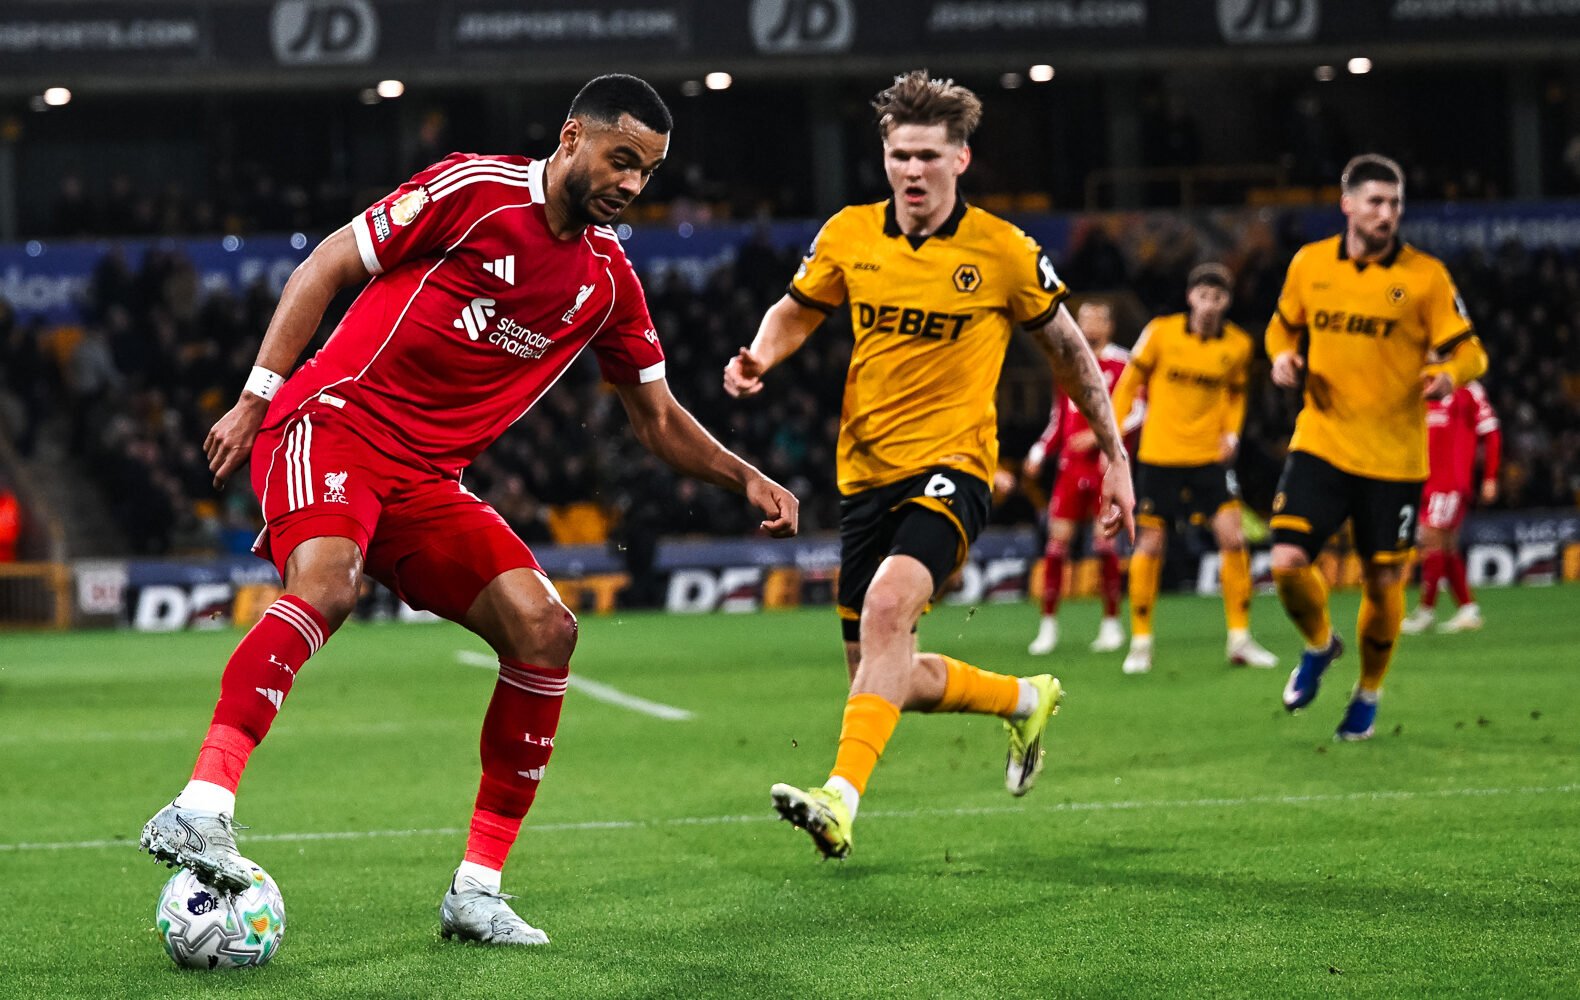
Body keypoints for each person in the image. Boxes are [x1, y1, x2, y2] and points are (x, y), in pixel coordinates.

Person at [139, 75, 799, 944]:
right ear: (572, 137)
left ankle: (477, 890)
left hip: (425, 481)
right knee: (328, 585)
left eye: (647, 171)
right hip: (333, 424)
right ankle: (201, 804)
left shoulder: (608, 282)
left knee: (546, 629)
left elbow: (658, 419)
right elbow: (326, 264)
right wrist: (257, 396)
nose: (633, 184)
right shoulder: (475, 190)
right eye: (621, 159)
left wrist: (744, 477)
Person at [723, 71, 1135, 860]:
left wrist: (1114, 454)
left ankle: (839, 800)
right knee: (883, 672)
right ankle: (1023, 698)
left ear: (961, 160)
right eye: (900, 155)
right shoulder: (849, 234)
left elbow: (1071, 354)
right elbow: (796, 310)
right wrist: (761, 356)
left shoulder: (1004, 251)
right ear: (884, 157)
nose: (912, 170)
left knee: (887, 610)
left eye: (928, 156)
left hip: (956, 465)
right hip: (864, 475)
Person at [1265, 153, 1487, 741]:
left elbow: (1472, 351)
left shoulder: (1426, 277)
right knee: (1285, 562)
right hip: (1322, 439)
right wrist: (1281, 356)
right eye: (1375, 202)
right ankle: (1319, 646)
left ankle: (1367, 692)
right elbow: (1281, 325)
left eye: (1395, 204)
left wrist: (1450, 375)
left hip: (1394, 457)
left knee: (1384, 582)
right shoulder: (1310, 264)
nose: (1387, 214)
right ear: (1348, 205)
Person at [1108, 263, 1280, 674]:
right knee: (1150, 546)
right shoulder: (1160, 333)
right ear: (1190, 298)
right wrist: (1114, 439)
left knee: (1233, 538)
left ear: (1227, 302)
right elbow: (1128, 384)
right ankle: (1141, 643)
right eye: (1203, 296)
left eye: (1217, 297)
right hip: (1160, 456)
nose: (1209, 304)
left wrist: (1231, 435)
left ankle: (1240, 639)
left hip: (1208, 459)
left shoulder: (1238, 345)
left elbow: (1236, 394)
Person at [1024, 299, 1138, 655]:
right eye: (1084, 318)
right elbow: (1059, 417)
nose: (1090, 325)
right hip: (1070, 468)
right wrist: (1039, 450)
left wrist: (1101, 437)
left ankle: (1111, 624)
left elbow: (1138, 410)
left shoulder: (1123, 363)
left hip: (1104, 467)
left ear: (1110, 325)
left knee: (1105, 545)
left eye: (1097, 318)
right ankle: (1048, 626)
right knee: (1056, 545)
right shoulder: (1068, 361)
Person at [1401, 381, 1500, 635]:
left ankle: (1426, 612)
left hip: (1449, 483)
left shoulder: (1467, 389)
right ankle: (1468, 609)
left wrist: (1490, 477)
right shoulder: (1422, 383)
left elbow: (1491, 433)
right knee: (1447, 548)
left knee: (1432, 544)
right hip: (1425, 480)